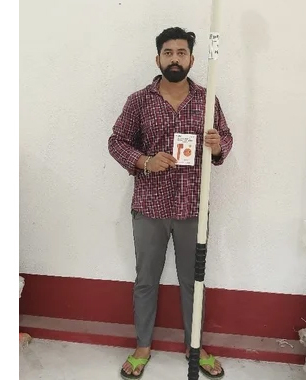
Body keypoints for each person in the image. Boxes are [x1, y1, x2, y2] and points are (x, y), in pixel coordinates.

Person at [108, 27, 233, 378]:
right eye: (168, 53)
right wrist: (145, 161)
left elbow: (225, 138)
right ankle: (142, 347)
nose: (175, 58)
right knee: (146, 279)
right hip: (150, 206)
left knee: (194, 281)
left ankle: (196, 347)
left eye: (181, 53)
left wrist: (217, 146)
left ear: (192, 59)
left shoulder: (208, 100)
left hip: (193, 207)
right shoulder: (139, 101)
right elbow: (117, 141)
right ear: (158, 59)